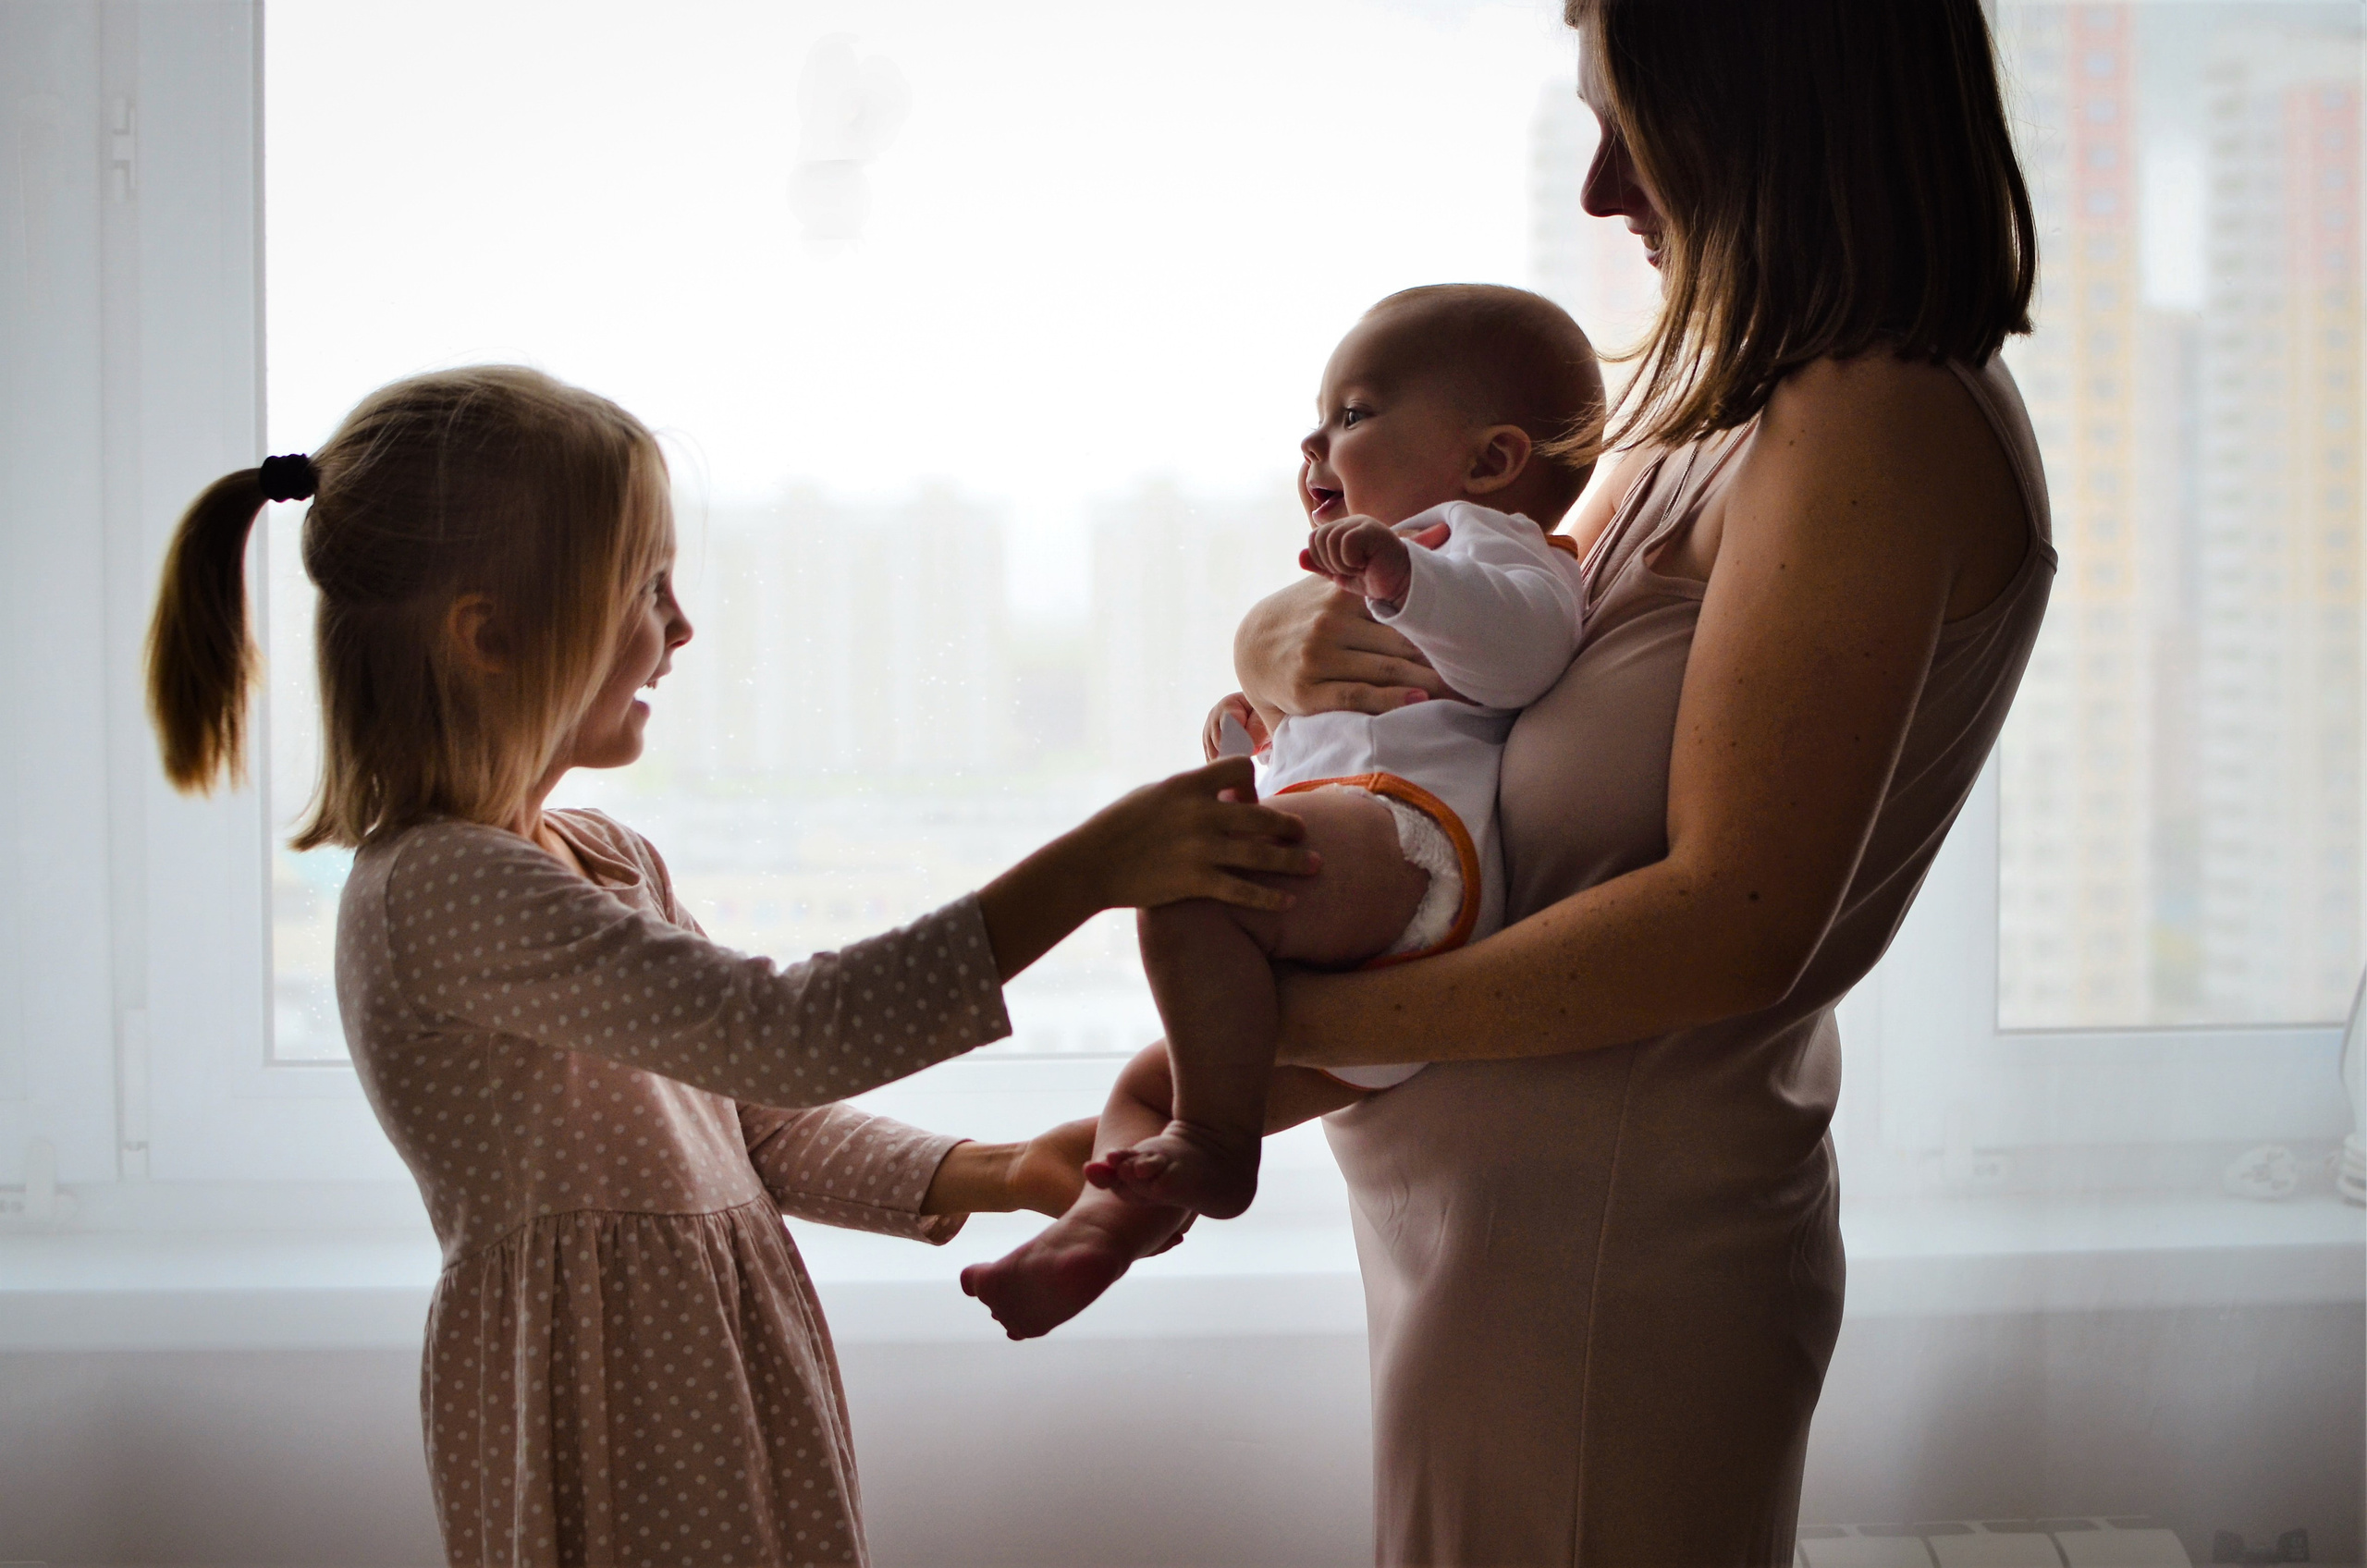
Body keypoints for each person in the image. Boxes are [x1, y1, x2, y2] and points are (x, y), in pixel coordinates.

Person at [141, 365, 1316, 1568]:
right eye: (645, 586)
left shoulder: (603, 857)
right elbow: (791, 1033)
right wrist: (1084, 872)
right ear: (491, 635)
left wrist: (1000, 1167)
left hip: (720, 1360)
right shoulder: (442, 888)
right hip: (598, 1389)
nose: (682, 627)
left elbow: (756, 1125)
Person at [1231, 2, 2055, 1562]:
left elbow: (1734, 919)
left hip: (1608, 1275)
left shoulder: (1874, 424)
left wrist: (1303, 1032)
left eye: (1638, 124)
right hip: (1503, 1253)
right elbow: (1477, 688)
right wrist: (1281, 642)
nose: (1607, 190)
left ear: (1780, 113)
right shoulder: (1724, 419)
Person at [960, 284, 1602, 1341]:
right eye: (1313, 421)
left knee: (1187, 877)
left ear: (1491, 461)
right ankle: (1100, 1226)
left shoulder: (1490, 547)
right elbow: (1338, 733)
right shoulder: (1399, 568)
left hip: (1406, 852)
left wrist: (1408, 576)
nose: (1313, 444)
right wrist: (1248, 744)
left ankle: (1214, 1143)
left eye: (1351, 415)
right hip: (1343, 921)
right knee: (1138, 1088)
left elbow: (1525, 650)